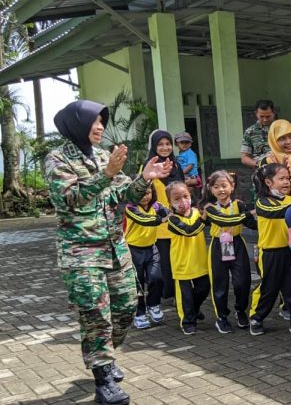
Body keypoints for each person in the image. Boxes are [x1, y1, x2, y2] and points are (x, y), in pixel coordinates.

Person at [46, 100, 172, 404]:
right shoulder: (57, 158)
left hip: (116, 248)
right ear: (77, 124)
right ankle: (103, 380)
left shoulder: (104, 155)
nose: (100, 127)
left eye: (102, 121)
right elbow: (68, 199)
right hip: (82, 253)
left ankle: (105, 354)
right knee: (96, 315)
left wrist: (145, 177)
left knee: (126, 307)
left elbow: (124, 194)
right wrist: (105, 174)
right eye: (94, 121)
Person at [248, 163, 291, 335]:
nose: (286, 182)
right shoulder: (262, 203)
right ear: (268, 182)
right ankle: (256, 318)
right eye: (281, 178)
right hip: (270, 253)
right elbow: (276, 212)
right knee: (269, 289)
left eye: (288, 178)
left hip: (290, 251)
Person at [203, 171, 257, 334]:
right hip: (218, 246)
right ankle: (221, 317)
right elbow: (225, 221)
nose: (221, 190)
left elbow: (252, 224)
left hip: (237, 243)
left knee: (242, 281)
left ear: (232, 187)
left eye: (224, 185)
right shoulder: (209, 208)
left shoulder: (239, 205)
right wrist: (249, 213)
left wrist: (267, 215)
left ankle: (241, 311)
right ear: (211, 189)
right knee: (220, 283)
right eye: (216, 187)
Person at [166, 181, 210, 335]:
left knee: (204, 288)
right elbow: (189, 231)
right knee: (185, 296)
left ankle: (194, 309)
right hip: (182, 263)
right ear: (170, 201)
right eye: (177, 199)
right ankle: (188, 321)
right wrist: (203, 219)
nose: (182, 201)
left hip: (200, 261)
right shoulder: (172, 219)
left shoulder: (197, 212)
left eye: (185, 196)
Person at [144, 129, 184, 300]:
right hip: (160, 223)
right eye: (160, 144)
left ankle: (181, 292)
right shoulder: (148, 166)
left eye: (168, 144)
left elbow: (183, 190)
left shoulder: (176, 166)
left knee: (179, 258)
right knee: (165, 262)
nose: (165, 147)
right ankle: (169, 294)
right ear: (154, 146)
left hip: (178, 220)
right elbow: (143, 194)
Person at [124, 183, 168, 329]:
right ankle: (139, 313)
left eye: (148, 193)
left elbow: (169, 212)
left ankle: (153, 305)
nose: (145, 197)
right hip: (133, 250)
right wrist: (161, 220)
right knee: (137, 284)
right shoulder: (130, 208)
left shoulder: (157, 206)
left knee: (156, 278)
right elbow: (143, 219)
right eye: (141, 193)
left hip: (151, 248)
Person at [240, 99, 276, 169]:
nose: (265, 120)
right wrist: (259, 164)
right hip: (261, 170)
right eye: (261, 117)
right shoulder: (250, 132)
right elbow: (244, 158)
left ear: (274, 113)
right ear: (256, 114)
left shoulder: (282, 128)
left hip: (282, 169)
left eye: (268, 116)